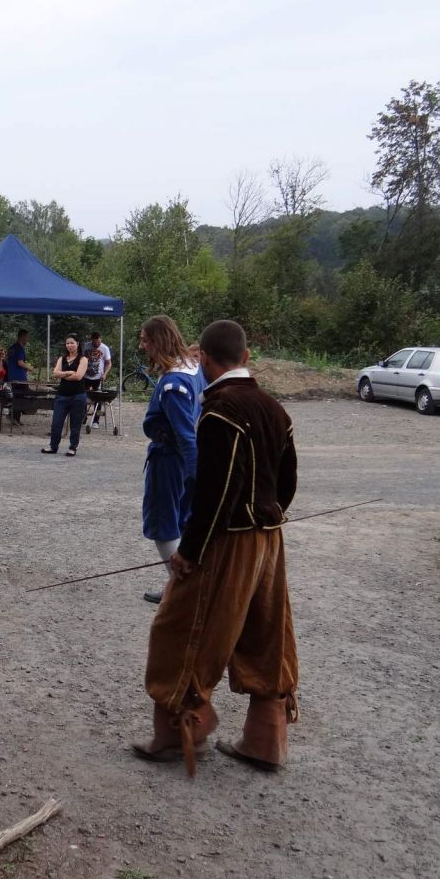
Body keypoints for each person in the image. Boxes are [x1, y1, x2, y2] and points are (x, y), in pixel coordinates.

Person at [132, 319, 299, 776]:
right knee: (266, 634)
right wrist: (267, 517)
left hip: (228, 540)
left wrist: (189, 551)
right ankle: (265, 739)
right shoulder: (275, 409)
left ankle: (181, 730)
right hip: (270, 541)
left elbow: (215, 493)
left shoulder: (220, 412)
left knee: (180, 629)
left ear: (203, 358)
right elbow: (287, 483)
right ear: (246, 357)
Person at [137, 315, 205, 605]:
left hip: (169, 460)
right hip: (177, 458)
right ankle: (182, 588)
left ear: (158, 340)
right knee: (179, 522)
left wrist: (196, 475)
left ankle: (183, 594)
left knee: (163, 524)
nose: (142, 345)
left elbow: (185, 433)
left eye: (145, 340)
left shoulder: (174, 383)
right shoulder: (192, 368)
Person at [40, 334, 88, 457]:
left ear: (77, 343)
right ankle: (53, 446)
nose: (69, 345)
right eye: (67, 343)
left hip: (78, 395)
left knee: (75, 423)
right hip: (62, 395)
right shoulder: (62, 358)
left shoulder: (83, 359)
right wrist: (68, 372)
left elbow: (78, 376)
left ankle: (73, 447)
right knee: (56, 422)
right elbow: (55, 373)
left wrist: (63, 375)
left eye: (72, 343)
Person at [82, 331, 113, 429]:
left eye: (98, 342)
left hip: (98, 377)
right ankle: (83, 417)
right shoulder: (86, 346)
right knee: (82, 398)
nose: (96, 344)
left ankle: (96, 421)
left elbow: (108, 363)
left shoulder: (105, 348)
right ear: (91, 340)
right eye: (94, 342)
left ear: (100, 339)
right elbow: (81, 360)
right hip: (85, 376)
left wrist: (105, 374)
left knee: (98, 400)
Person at [6, 329, 33, 423]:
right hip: (19, 377)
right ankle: (13, 415)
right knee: (23, 395)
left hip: (12, 376)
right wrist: (29, 367)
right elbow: (20, 362)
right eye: (27, 337)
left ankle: (15, 417)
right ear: (22, 337)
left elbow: (9, 361)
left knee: (17, 396)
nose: (28, 339)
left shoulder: (11, 348)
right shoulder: (19, 348)